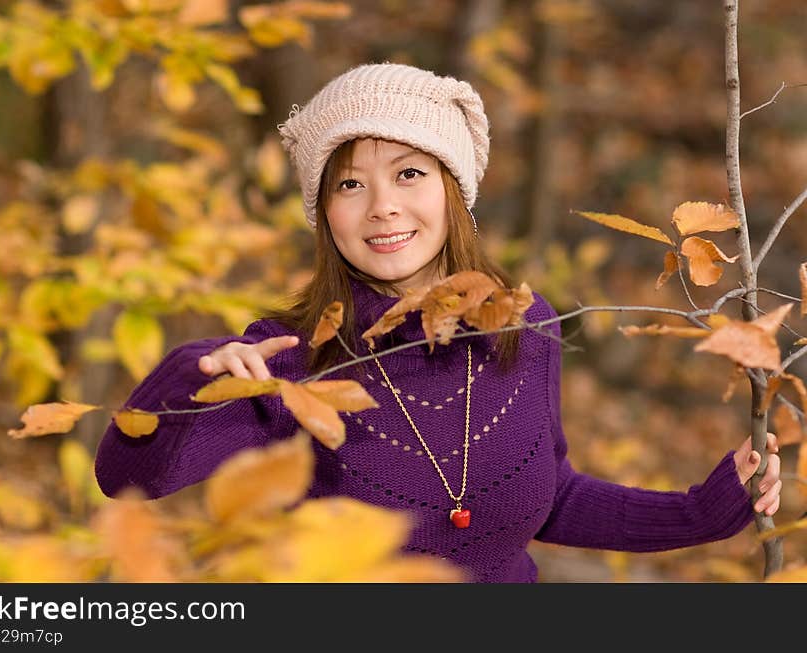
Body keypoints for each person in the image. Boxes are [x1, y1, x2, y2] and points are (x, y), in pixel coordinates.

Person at [94, 63, 782, 582]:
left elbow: (549, 495)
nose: (383, 207)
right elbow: (128, 478)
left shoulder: (526, 327)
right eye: (351, 184)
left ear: (454, 192)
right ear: (325, 212)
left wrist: (702, 510)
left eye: (410, 173)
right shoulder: (290, 360)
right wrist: (190, 375)